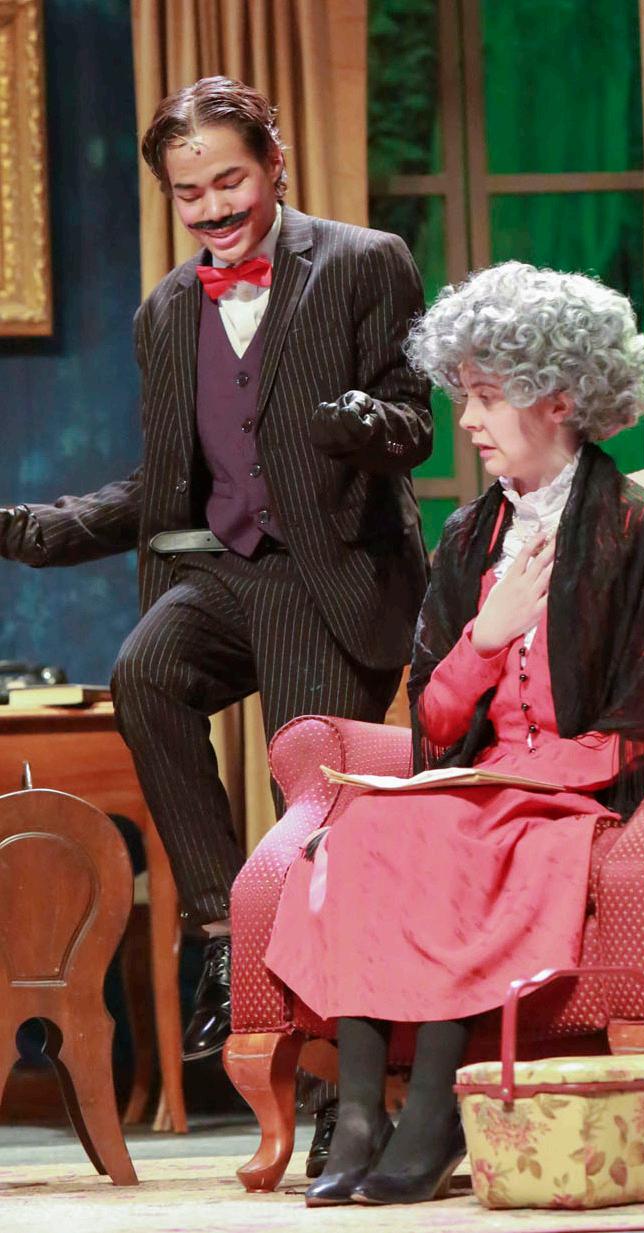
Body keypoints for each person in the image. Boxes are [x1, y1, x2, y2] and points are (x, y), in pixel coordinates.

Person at [0, 76, 432, 1164]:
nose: (213, 207)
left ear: (274, 163)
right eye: (189, 193)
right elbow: (165, 485)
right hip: (224, 572)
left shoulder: (364, 262)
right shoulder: (166, 310)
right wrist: (35, 531)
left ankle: (344, 1095)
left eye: (229, 181)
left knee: (313, 824)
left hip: (333, 580)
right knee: (144, 673)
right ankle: (223, 928)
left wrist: (364, 421)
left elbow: (416, 423)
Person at [265, 260, 644, 1206]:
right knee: (366, 830)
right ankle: (360, 1114)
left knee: (460, 831)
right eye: (465, 396)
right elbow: (435, 722)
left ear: (560, 398)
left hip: (573, 796)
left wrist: (520, 776)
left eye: (489, 397)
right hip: (474, 784)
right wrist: (485, 640)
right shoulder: (468, 538)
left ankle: (434, 1112)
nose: (469, 422)